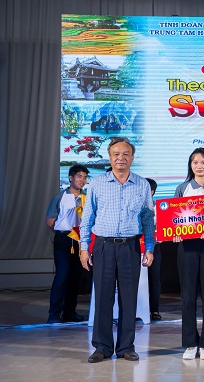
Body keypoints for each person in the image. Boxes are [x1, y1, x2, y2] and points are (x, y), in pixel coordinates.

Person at [79, 137, 155, 363]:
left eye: (125, 154)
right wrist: (84, 248)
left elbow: (148, 218)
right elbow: (87, 218)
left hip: (130, 247)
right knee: (103, 298)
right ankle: (101, 347)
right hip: (103, 246)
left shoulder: (141, 184)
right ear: (110, 157)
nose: (121, 158)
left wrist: (149, 247)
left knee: (128, 298)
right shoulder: (97, 184)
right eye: (116, 154)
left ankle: (126, 347)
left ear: (132, 157)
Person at [173, 148, 204, 360]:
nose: (199, 166)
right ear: (190, 165)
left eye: (203, 162)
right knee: (188, 296)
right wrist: (175, 232)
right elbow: (174, 217)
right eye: (195, 162)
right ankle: (190, 343)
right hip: (187, 246)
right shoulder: (182, 188)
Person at [46, 164, 90, 323]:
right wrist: (63, 234)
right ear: (71, 178)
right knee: (62, 275)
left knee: (75, 277)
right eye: (79, 176)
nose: (82, 180)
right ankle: (54, 313)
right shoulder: (60, 197)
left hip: (81, 241)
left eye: (85, 177)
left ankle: (70, 312)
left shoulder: (87, 198)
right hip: (64, 240)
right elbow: (50, 221)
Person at [145, 178, 162, 321]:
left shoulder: (159, 208)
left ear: (151, 191)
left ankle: (154, 309)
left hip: (154, 246)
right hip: (134, 246)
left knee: (154, 278)